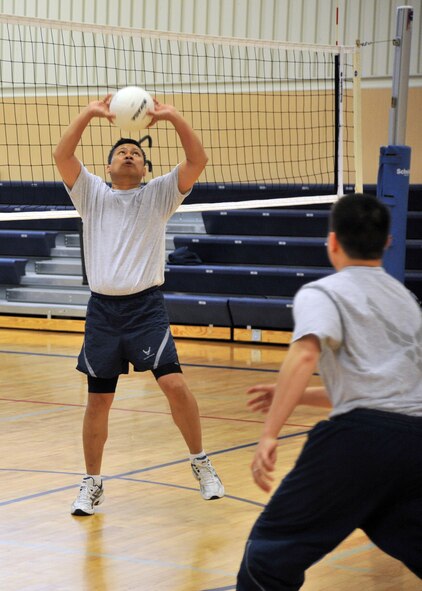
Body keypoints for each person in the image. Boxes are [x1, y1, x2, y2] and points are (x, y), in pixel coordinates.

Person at [237, 193, 422, 589]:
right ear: (388, 242)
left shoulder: (323, 293)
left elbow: (305, 355)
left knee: (266, 560)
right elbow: (386, 388)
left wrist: (270, 433)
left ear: (332, 242)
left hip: (359, 444)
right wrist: (294, 394)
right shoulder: (407, 301)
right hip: (415, 445)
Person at [53, 94, 224, 516]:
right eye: (121, 152)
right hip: (103, 313)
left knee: (174, 384)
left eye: (136, 154)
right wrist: (91, 113)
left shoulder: (159, 195)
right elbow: (62, 153)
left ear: (145, 169)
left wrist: (173, 116)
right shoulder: (91, 193)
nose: (128, 155)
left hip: (145, 308)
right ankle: (91, 484)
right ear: (109, 167)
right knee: (98, 401)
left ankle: (201, 463)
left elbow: (198, 159)